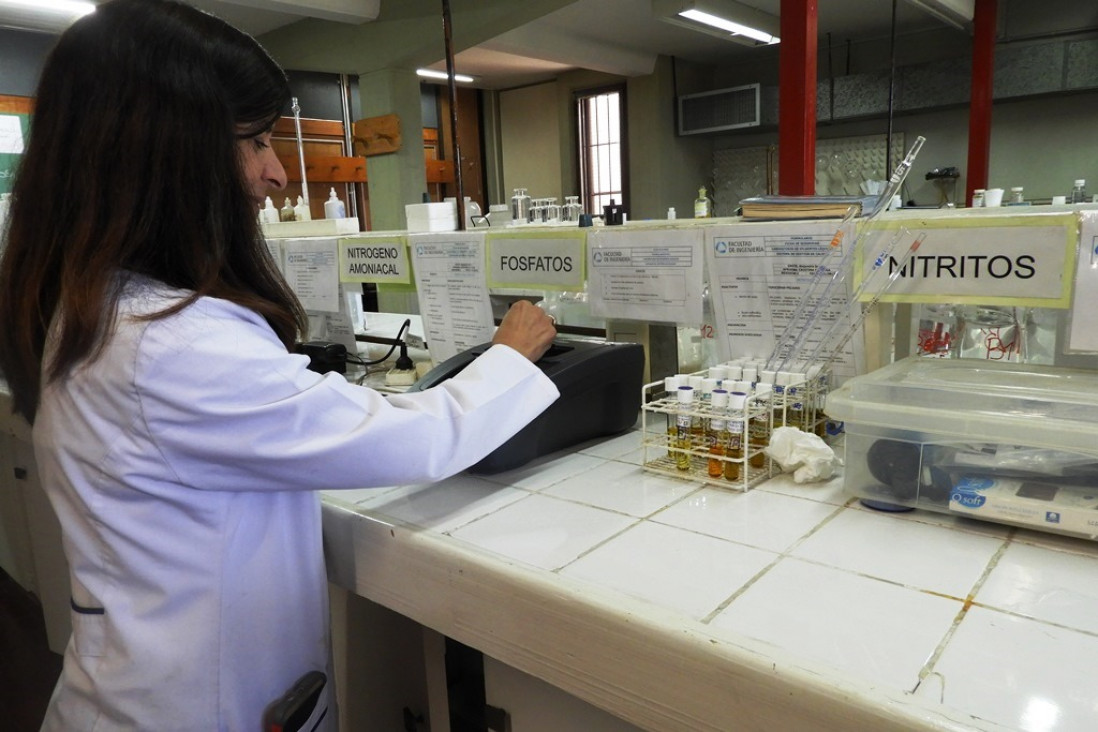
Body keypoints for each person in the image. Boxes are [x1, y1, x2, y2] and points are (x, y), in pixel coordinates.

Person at [0, 1, 559, 730]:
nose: (278, 172)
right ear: (165, 153)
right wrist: (507, 356)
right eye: (256, 140)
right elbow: (411, 439)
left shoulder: (91, 305)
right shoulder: (169, 345)